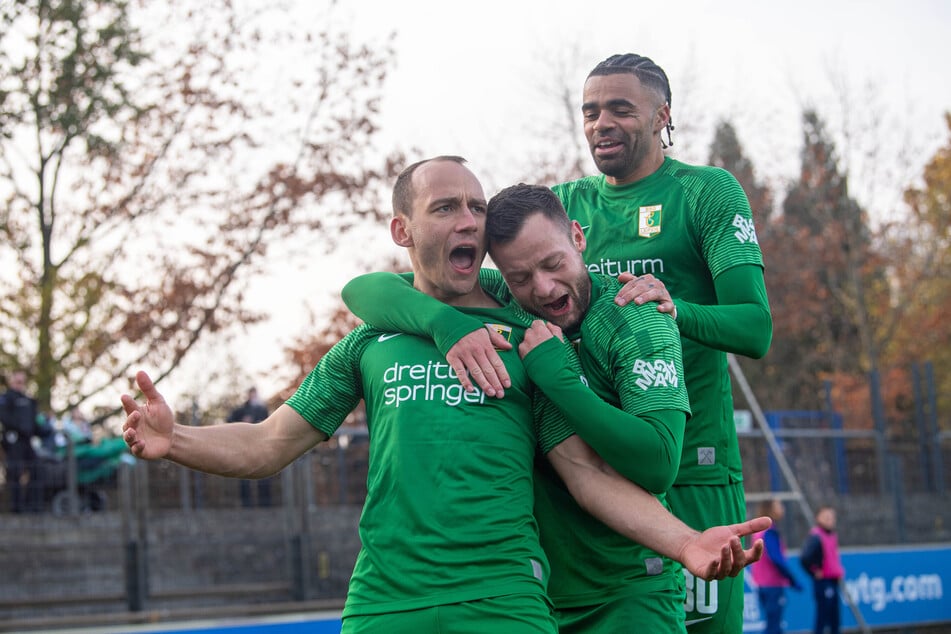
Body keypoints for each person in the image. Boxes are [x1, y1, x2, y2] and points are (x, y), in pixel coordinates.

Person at [121, 156, 768, 634]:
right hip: (383, 604)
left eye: (476, 208)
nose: (469, 221)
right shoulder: (371, 341)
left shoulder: (530, 339)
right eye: (445, 208)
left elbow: (585, 476)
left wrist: (683, 541)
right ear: (402, 231)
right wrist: (175, 439)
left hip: (503, 602)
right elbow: (268, 442)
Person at [339, 184, 721, 632]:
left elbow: (657, 463)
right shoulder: (508, 302)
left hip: (627, 593)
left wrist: (561, 379)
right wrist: (444, 324)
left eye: (553, 264)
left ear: (578, 238)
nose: (542, 287)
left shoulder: (636, 315)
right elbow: (366, 289)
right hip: (535, 599)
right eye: (520, 277)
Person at [552, 52, 773, 633]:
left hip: (694, 470)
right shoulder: (564, 206)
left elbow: (755, 327)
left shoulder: (706, 193)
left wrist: (675, 309)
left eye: (621, 109)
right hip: (598, 475)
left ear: (661, 116)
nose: (602, 122)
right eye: (591, 111)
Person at [751, 498, 802, 634]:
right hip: (772, 584)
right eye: (779, 506)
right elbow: (776, 559)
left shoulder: (758, 531)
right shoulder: (770, 532)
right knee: (774, 625)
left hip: (761, 584)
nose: (782, 509)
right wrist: (792, 579)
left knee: (771, 622)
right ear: (771, 510)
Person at [0, 369, 43, 513]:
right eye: (18, 381)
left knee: (36, 468)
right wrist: (20, 427)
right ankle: (16, 507)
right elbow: (5, 418)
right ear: (12, 381)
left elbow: (35, 422)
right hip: (14, 442)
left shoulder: (29, 401)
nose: (20, 384)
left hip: (28, 441)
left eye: (22, 382)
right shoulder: (6, 398)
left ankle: (33, 505)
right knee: (14, 473)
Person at [800, 505, 844, 634]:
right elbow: (805, 558)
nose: (829, 520)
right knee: (823, 616)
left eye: (831, 517)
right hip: (823, 582)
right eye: (826, 517)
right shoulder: (816, 536)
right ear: (818, 518)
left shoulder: (832, 535)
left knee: (835, 617)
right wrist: (814, 572)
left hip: (833, 580)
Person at [227, 387, 271, 507]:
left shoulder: (262, 409)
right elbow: (229, 420)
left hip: (261, 446)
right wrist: (242, 421)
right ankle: (246, 505)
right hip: (244, 446)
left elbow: (269, 425)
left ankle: (265, 504)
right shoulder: (241, 409)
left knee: (264, 474)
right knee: (245, 475)